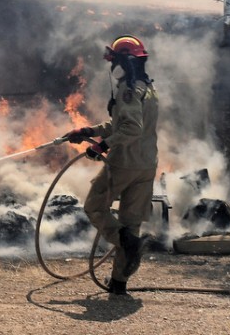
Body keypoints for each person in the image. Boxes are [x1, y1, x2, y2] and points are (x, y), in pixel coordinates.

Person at [63, 35, 159, 296]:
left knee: (94, 206)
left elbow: (131, 129)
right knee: (130, 223)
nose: (112, 66)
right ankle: (119, 283)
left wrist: (102, 146)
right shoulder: (146, 88)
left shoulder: (128, 89)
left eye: (115, 60)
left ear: (124, 62)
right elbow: (121, 124)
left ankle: (129, 245)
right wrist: (89, 130)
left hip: (124, 163)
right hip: (146, 165)